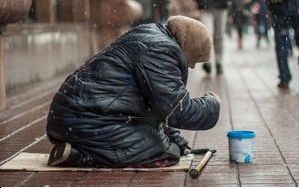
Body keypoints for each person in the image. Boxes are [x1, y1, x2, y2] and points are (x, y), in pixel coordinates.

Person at [46, 15, 221, 168]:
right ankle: (83, 157)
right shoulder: (161, 51)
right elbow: (178, 112)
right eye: (195, 59)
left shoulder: (152, 36)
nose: (192, 66)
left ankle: (77, 149)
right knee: (163, 152)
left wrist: (175, 138)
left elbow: (157, 106)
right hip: (87, 119)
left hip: (74, 117)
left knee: (165, 142)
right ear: (188, 49)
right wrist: (212, 105)